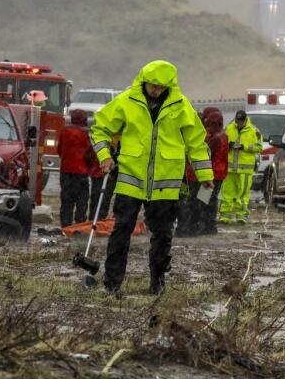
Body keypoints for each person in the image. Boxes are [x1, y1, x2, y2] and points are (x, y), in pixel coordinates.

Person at [92, 61, 215, 296]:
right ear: (144, 81)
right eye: (153, 86)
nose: (156, 90)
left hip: (165, 185)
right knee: (121, 230)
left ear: (170, 85)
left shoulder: (181, 107)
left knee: (163, 235)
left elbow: (197, 143)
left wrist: (205, 175)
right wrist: (104, 156)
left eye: (161, 87)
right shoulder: (126, 101)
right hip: (130, 179)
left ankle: (157, 282)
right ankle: (112, 283)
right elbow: (99, 129)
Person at [178, 107, 227, 236]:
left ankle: (204, 226)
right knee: (207, 201)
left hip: (210, 174)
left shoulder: (215, 137)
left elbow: (204, 153)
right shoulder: (221, 135)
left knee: (203, 201)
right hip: (215, 173)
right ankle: (207, 226)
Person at [219, 110, 263, 225]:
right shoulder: (229, 128)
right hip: (230, 168)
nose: (239, 123)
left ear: (245, 120)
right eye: (237, 121)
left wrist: (244, 147)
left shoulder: (254, 131)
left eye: (241, 121)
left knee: (242, 194)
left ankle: (242, 217)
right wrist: (228, 145)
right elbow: (222, 143)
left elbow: (259, 147)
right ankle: (225, 216)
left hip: (245, 169)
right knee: (227, 193)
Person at [57, 109, 95, 227]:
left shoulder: (64, 132)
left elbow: (59, 150)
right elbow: (90, 153)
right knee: (81, 202)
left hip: (66, 172)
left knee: (66, 201)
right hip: (81, 173)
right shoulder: (86, 134)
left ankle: (65, 226)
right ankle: (79, 226)